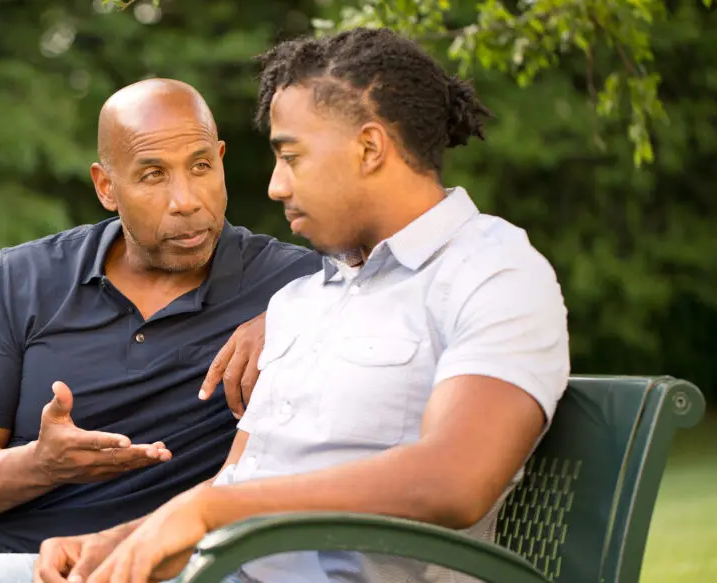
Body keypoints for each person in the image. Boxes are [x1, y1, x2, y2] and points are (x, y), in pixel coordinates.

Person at [34, 27, 571, 583]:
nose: (275, 186)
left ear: (369, 148)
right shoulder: (301, 300)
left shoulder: (493, 271)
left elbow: (455, 479)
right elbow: (238, 482)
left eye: (291, 157)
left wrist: (206, 514)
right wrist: (119, 542)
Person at [0, 78, 321, 582]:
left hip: (145, 556)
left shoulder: (295, 286)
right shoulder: (26, 277)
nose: (186, 200)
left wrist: (290, 313)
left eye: (201, 167)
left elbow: (388, 285)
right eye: (152, 174)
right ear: (106, 187)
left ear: (222, 161)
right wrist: (43, 465)